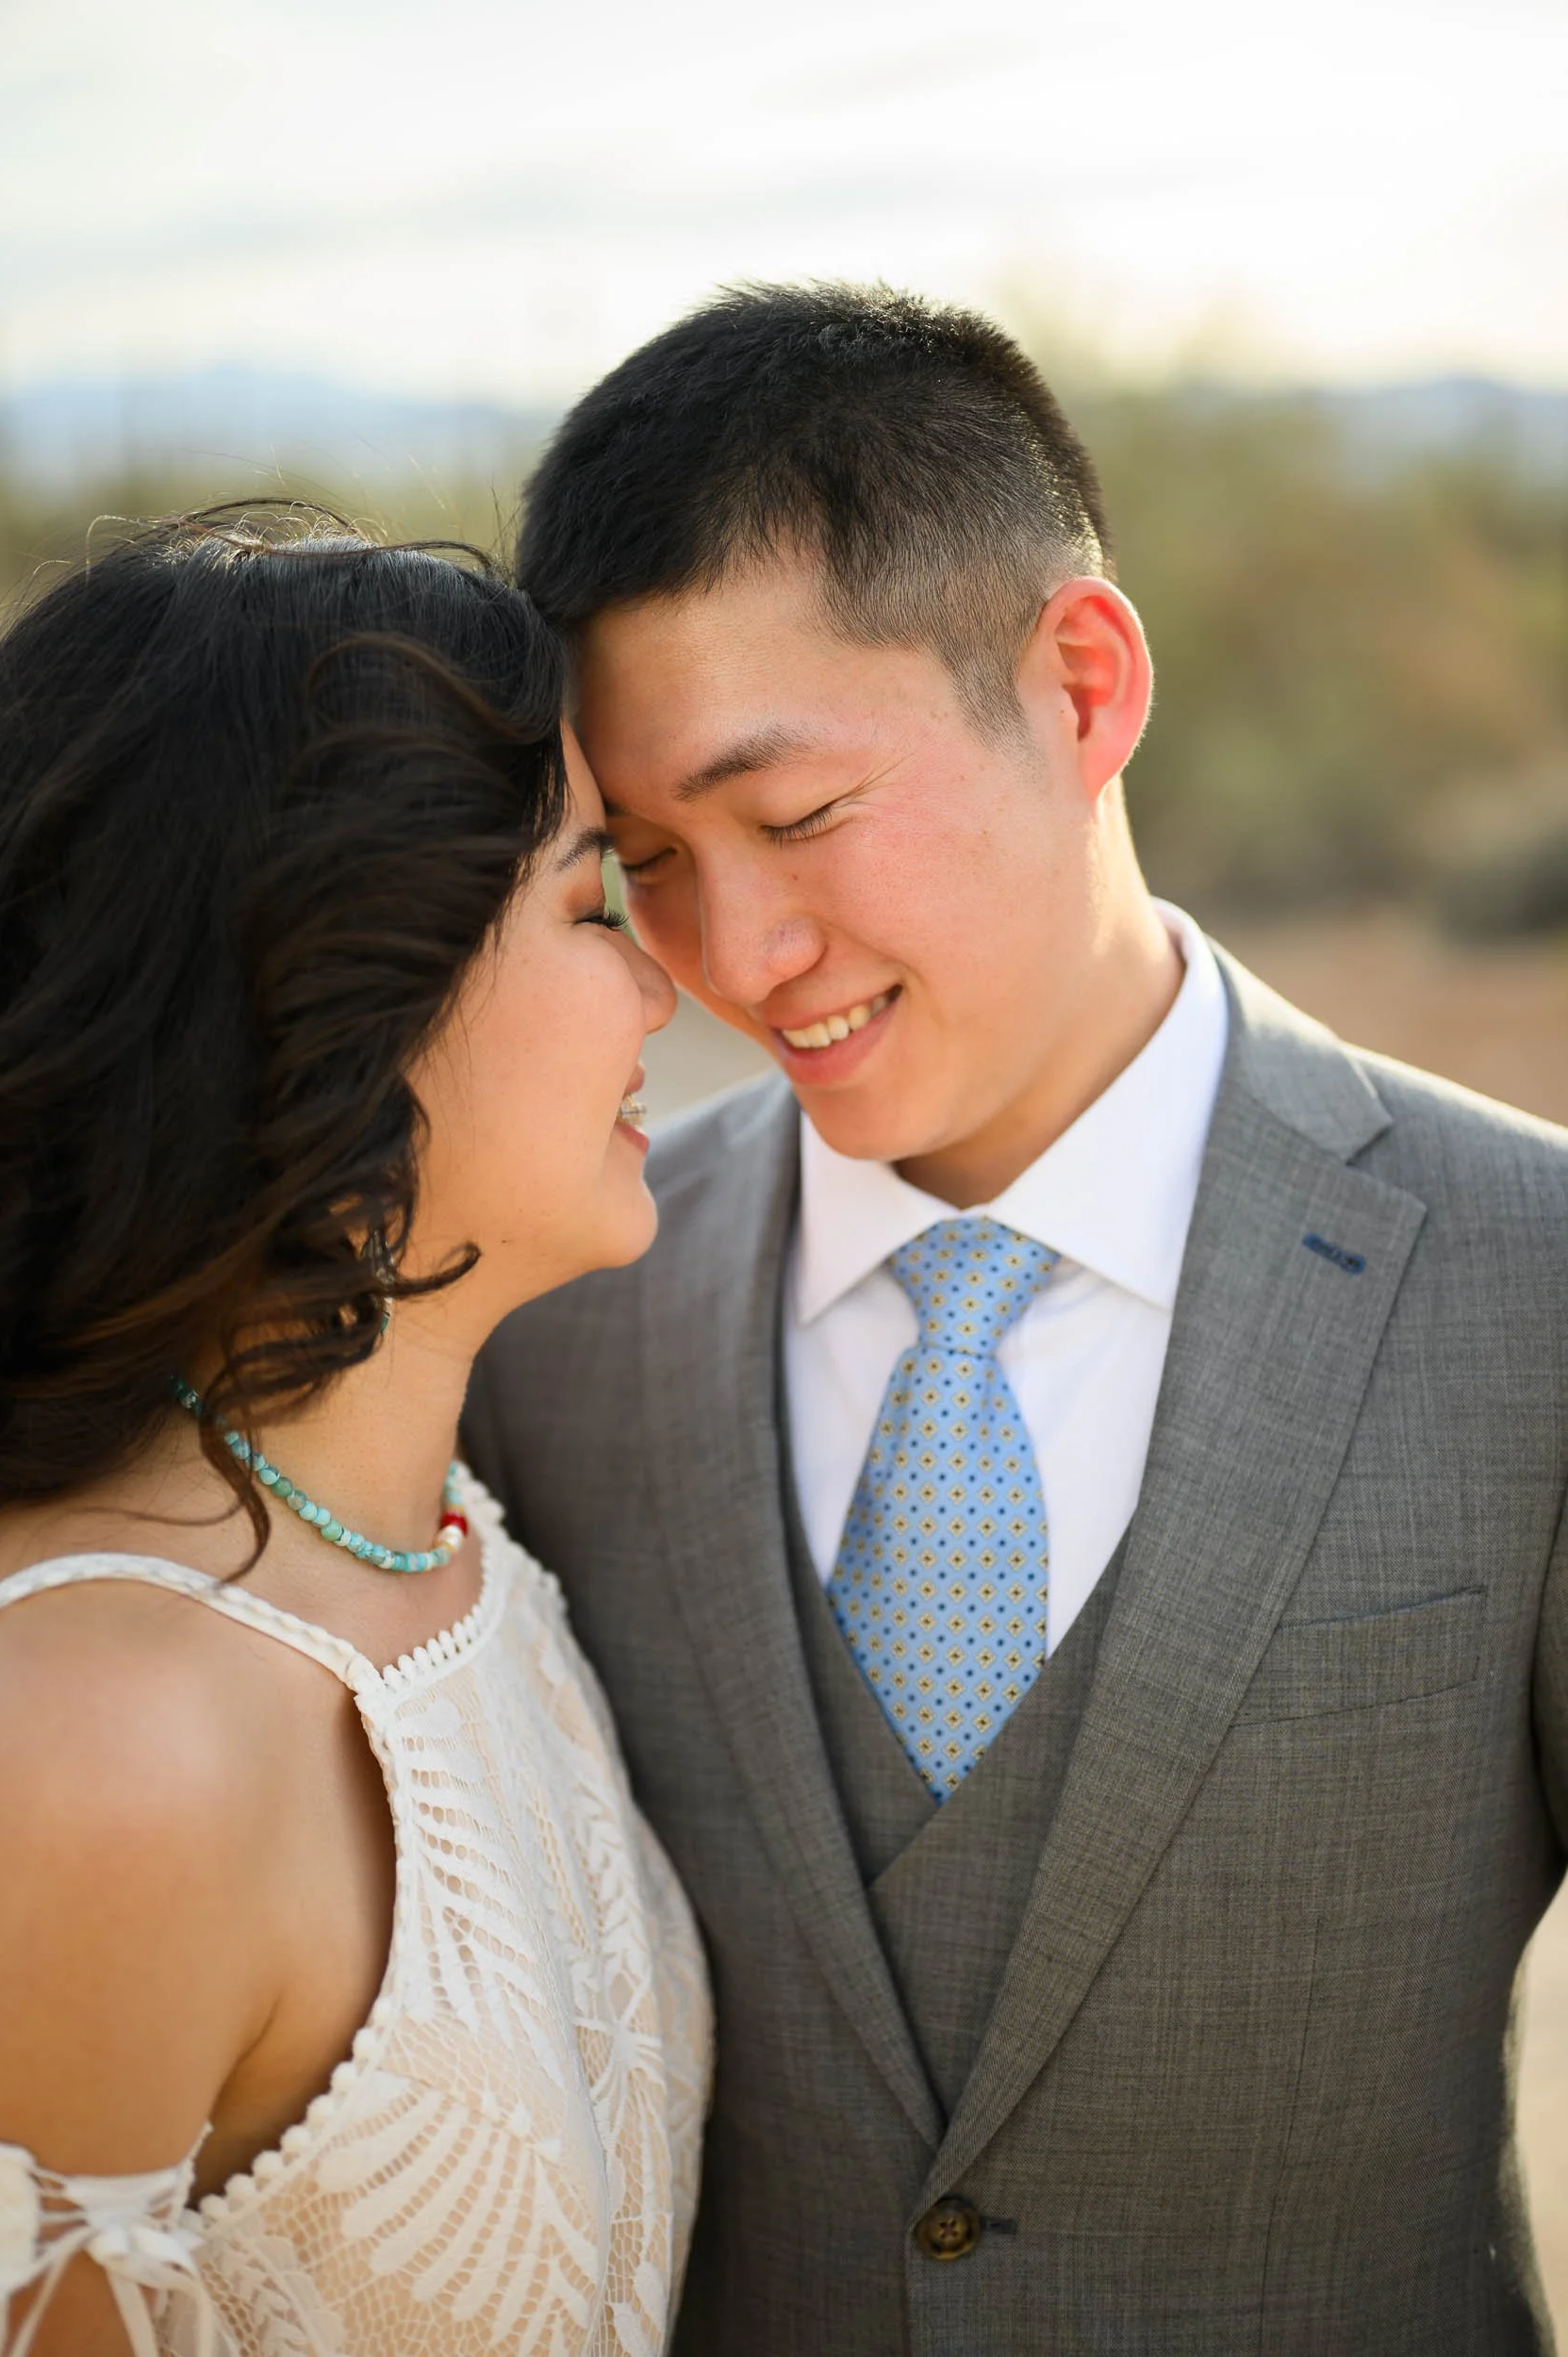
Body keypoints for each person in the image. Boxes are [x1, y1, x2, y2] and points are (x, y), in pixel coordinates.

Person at [463, 284, 1568, 2355]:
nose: (741, 952)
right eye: (651, 865)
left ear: (1076, 682)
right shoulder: (558, 1324)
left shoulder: (1535, 1281)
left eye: (792, 817)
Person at [0, 512, 709, 2357]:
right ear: (343, 987)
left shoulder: (453, 1524)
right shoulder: (95, 1750)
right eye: (588, 901)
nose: (662, 984)